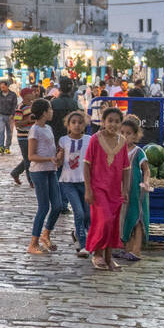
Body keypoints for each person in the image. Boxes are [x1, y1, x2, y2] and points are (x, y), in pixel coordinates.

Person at [85, 106, 130, 272]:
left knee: (113, 223)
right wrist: (88, 189)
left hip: (114, 190)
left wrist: (125, 189)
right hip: (98, 188)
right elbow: (86, 165)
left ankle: (109, 258)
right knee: (104, 221)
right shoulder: (95, 140)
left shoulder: (123, 142)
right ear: (103, 122)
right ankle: (97, 254)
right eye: (110, 121)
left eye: (117, 121)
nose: (113, 124)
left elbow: (126, 168)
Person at [26, 99, 62, 254]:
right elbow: (31, 155)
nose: (52, 111)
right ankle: (33, 243)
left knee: (58, 205)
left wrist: (57, 156)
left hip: (51, 170)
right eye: (50, 109)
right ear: (44, 112)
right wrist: (49, 159)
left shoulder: (48, 128)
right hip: (39, 171)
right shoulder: (35, 130)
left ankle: (46, 233)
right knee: (44, 207)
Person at [58, 110, 92, 258]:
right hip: (68, 182)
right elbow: (59, 162)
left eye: (80, 122)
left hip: (85, 181)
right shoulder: (63, 140)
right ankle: (84, 245)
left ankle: (78, 234)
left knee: (87, 214)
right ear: (68, 125)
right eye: (73, 123)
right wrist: (57, 158)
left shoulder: (90, 140)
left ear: (85, 125)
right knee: (78, 212)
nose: (77, 125)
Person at [118, 114, 151, 261]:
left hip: (136, 191)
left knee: (137, 219)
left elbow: (146, 169)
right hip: (122, 190)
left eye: (128, 133)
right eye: (122, 133)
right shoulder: (118, 150)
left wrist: (146, 182)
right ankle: (127, 247)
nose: (125, 136)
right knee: (125, 218)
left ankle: (137, 250)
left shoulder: (138, 152)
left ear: (136, 135)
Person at [11, 82, 42, 186]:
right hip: (23, 137)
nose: (33, 94)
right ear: (26, 96)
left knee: (29, 158)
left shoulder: (34, 106)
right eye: (31, 93)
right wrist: (27, 121)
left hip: (33, 136)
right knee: (29, 160)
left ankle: (15, 172)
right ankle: (31, 181)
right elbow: (17, 123)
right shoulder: (20, 108)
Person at [0, 79, 18, 155]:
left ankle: (7, 147)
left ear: (7, 87)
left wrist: (12, 114)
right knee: (1, 131)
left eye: (3, 87)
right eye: (1, 87)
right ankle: (1, 147)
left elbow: (14, 105)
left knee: (9, 132)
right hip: (1, 115)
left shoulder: (13, 95)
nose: (2, 89)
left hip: (9, 116)